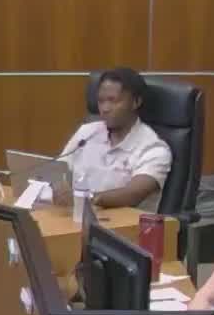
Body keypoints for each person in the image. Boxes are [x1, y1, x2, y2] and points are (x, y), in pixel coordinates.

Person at [58, 66, 172, 209]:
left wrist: (85, 198)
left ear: (136, 102)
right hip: (74, 215)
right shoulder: (86, 132)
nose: (105, 109)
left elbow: (132, 194)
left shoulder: (154, 149)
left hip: (122, 222)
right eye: (101, 101)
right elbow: (59, 171)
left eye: (113, 101)